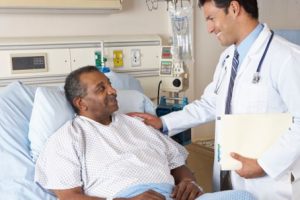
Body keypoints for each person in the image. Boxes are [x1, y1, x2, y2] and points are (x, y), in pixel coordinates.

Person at [128, 0, 300, 200]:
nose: (209, 28)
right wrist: (164, 123)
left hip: (271, 183)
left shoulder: (287, 57)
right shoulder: (228, 58)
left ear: (234, 8)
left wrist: (264, 164)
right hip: (231, 175)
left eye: (211, 18)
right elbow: (211, 103)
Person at [34, 66, 255, 200]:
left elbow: (178, 166)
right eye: (101, 89)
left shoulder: (137, 124)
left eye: (109, 84)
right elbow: (69, 196)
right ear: (81, 103)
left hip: (172, 195)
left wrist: (189, 183)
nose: (112, 90)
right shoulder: (67, 139)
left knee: (243, 197)